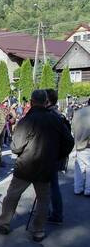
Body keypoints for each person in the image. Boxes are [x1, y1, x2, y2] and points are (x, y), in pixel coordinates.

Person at [0, 90, 74, 242]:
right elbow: (69, 141)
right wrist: (56, 156)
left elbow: (16, 147)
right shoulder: (56, 119)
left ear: (32, 101)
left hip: (26, 166)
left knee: (12, 195)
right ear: (45, 102)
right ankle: (38, 231)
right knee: (43, 200)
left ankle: (4, 223)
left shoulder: (27, 120)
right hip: (46, 167)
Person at [45, 89, 71, 224]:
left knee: (50, 187)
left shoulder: (51, 115)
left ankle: (54, 214)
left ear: (47, 100)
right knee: (52, 185)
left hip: (50, 157)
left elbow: (68, 140)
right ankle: (54, 213)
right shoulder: (58, 114)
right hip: (54, 156)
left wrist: (58, 154)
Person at [72, 98, 90, 196]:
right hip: (89, 143)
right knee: (89, 167)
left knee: (78, 166)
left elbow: (73, 127)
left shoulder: (78, 112)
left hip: (79, 142)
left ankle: (78, 188)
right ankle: (88, 189)